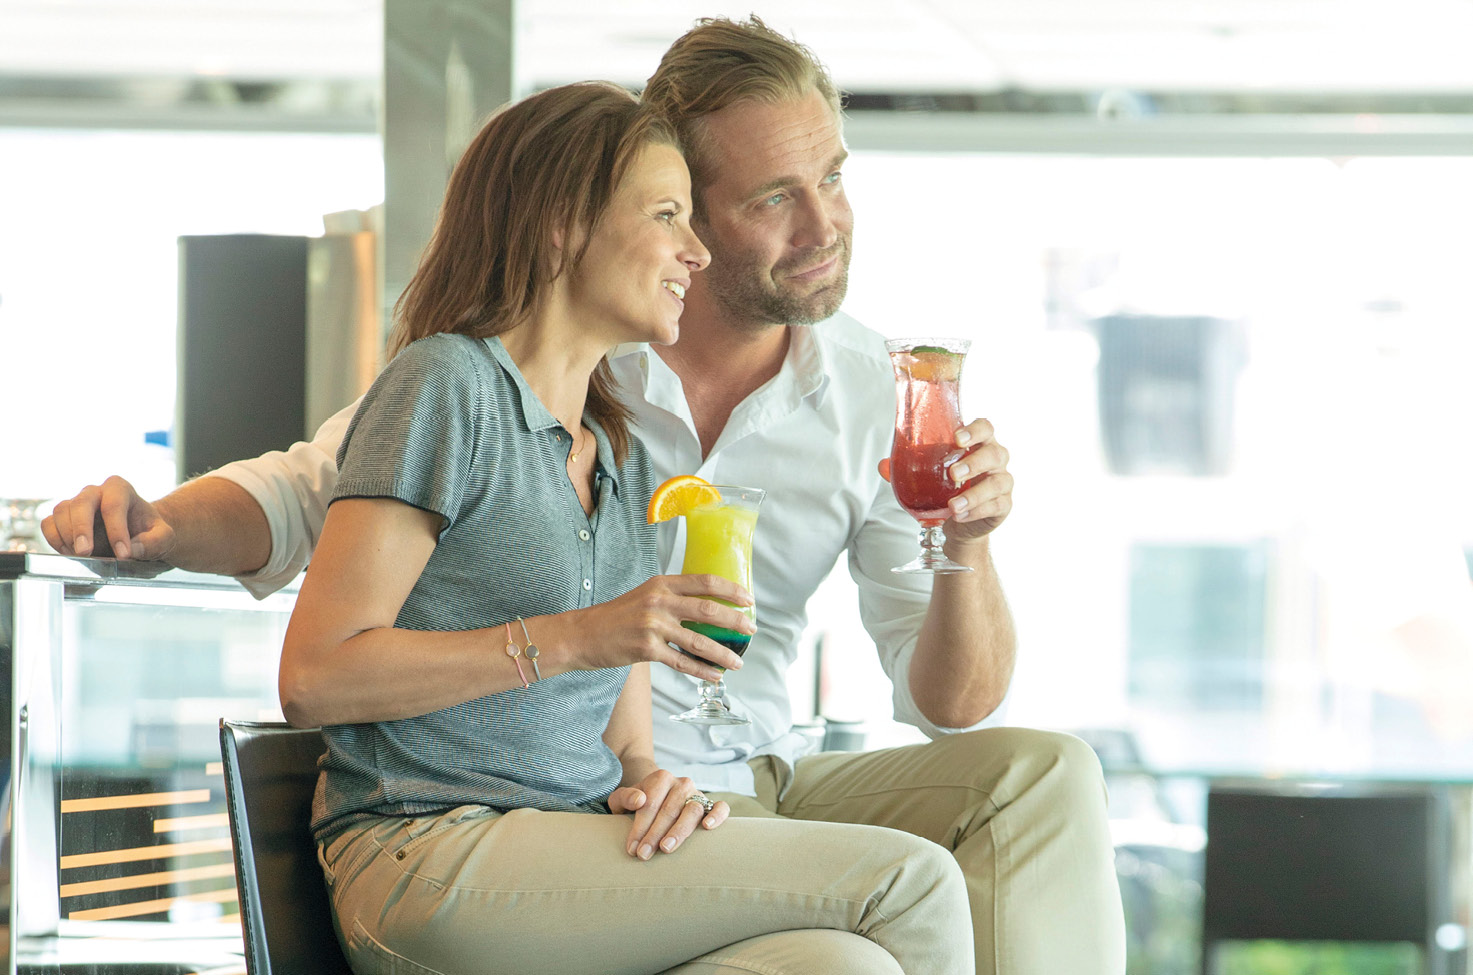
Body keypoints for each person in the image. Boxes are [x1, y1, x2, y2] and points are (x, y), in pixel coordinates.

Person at [44, 17, 1124, 974]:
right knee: (902, 890)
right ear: (610, 215)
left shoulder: (669, 432)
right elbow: (311, 503)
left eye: (833, 178)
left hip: (692, 799)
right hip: (482, 833)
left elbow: (944, 704)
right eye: (761, 200)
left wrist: (966, 546)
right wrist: (155, 527)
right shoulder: (471, 383)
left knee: (985, 830)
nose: (823, 223)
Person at [273, 80, 973, 975]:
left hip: (568, 849)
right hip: (427, 854)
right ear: (563, 224)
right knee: (908, 882)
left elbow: (626, 741)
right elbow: (315, 677)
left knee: (838, 963)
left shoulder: (623, 454)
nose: (695, 250)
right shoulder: (447, 386)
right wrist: (574, 638)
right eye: (668, 216)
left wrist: (654, 785)